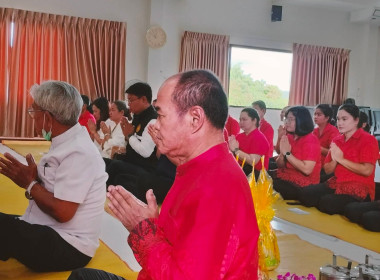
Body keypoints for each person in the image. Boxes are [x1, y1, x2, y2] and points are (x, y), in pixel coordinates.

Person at [68, 70, 259, 280]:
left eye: (160, 115)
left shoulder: (216, 188)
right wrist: (155, 225)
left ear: (195, 119)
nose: (156, 125)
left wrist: (144, 231)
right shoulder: (199, 167)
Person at [0, 81, 107, 272]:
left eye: (34, 113)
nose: (32, 119)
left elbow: (63, 212)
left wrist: (30, 184)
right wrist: (36, 181)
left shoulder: (78, 152)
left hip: (68, 245)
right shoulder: (68, 142)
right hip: (50, 230)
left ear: (48, 118)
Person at [298, 104, 379, 215]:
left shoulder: (369, 140)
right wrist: (335, 159)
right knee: (306, 194)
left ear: (356, 120)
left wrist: (341, 159)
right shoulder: (337, 140)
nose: (340, 123)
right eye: (338, 119)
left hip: (359, 186)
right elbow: (327, 170)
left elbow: (367, 170)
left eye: (344, 119)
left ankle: (356, 207)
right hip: (338, 182)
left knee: (326, 202)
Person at [106, 82, 158, 186]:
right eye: (128, 100)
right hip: (133, 162)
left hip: (145, 167)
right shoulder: (137, 116)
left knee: (114, 167)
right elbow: (132, 140)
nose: (128, 104)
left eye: (131, 100)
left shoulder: (153, 120)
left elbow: (145, 151)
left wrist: (129, 136)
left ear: (143, 99)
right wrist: (127, 138)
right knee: (104, 162)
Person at [272, 106, 321, 200]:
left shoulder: (311, 139)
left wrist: (287, 153)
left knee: (271, 184)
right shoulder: (289, 137)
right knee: (259, 176)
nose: (287, 122)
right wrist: (282, 155)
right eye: (287, 119)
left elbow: (307, 170)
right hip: (287, 174)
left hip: (305, 182)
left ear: (301, 121)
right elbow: (280, 165)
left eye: (291, 119)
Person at [228, 107, 269, 178]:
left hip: (254, 175)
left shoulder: (259, 137)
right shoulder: (239, 136)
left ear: (254, 120)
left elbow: (252, 161)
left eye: (244, 119)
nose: (241, 122)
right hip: (241, 170)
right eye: (240, 119)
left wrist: (236, 150)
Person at [312, 104, 340, 182]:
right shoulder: (314, 131)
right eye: (315, 114)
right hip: (314, 164)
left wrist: (317, 147)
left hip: (325, 167)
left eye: (319, 114)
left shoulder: (333, 131)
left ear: (327, 118)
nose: (315, 117)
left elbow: (334, 153)